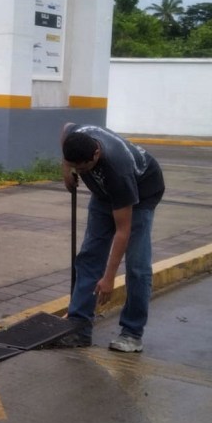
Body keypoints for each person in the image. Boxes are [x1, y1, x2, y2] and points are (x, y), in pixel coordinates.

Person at [57, 122, 165, 352]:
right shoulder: (75, 136)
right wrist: (66, 169)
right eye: (77, 168)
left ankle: (132, 333)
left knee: (137, 265)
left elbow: (123, 231)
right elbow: (66, 127)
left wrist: (109, 278)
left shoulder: (118, 170)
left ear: (96, 153)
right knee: (89, 255)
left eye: (84, 168)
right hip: (104, 193)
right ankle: (79, 328)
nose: (81, 172)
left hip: (142, 192)